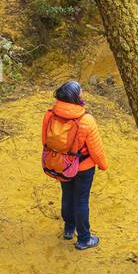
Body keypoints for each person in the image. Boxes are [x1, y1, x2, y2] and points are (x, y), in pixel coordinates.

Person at [41, 80, 108, 250]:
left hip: (61, 165)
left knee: (67, 195)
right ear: (75, 98)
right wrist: (103, 165)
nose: (82, 93)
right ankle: (84, 238)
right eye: (80, 92)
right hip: (83, 168)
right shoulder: (86, 120)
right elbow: (96, 149)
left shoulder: (49, 115)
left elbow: (45, 141)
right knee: (81, 200)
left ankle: (69, 229)